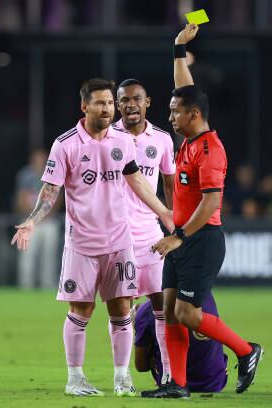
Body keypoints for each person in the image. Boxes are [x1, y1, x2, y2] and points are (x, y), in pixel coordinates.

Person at [11, 78, 174, 398]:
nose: (108, 109)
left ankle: (121, 378)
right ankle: (75, 378)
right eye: (101, 103)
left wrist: (165, 213)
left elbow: (138, 182)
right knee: (80, 312)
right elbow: (50, 191)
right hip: (81, 245)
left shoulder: (122, 142)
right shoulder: (66, 144)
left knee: (122, 312)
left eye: (110, 103)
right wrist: (31, 221)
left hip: (119, 243)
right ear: (84, 106)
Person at [142, 24, 263, 399]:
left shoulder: (210, 151)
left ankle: (246, 350)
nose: (171, 116)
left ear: (194, 115)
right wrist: (179, 48)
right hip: (183, 239)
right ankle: (176, 384)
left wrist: (178, 236)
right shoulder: (190, 140)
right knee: (170, 310)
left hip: (201, 240)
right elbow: (184, 88)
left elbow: (212, 202)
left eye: (176, 112)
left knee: (189, 314)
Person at [113, 78, 176, 384]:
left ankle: (167, 373)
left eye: (135, 99)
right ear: (117, 104)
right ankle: (122, 375)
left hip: (150, 235)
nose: (130, 105)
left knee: (161, 303)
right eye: (123, 100)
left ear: (147, 102)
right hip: (116, 236)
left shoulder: (162, 139)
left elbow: (169, 186)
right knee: (122, 308)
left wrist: (175, 228)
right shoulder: (108, 136)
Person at [134, 293, 228, 393]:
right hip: (213, 383)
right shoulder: (207, 297)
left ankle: (170, 376)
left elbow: (141, 366)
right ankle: (244, 351)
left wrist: (137, 321)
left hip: (170, 383)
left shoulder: (146, 310)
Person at [14, 149, 60, 289]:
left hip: (49, 222)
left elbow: (58, 198)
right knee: (27, 255)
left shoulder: (53, 172)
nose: (39, 161)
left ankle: (47, 286)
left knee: (49, 256)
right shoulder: (24, 175)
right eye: (37, 159)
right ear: (32, 159)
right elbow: (20, 199)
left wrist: (44, 215)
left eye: (42, 159)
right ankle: (25, 286)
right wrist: (33, 218)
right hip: (29, 221)